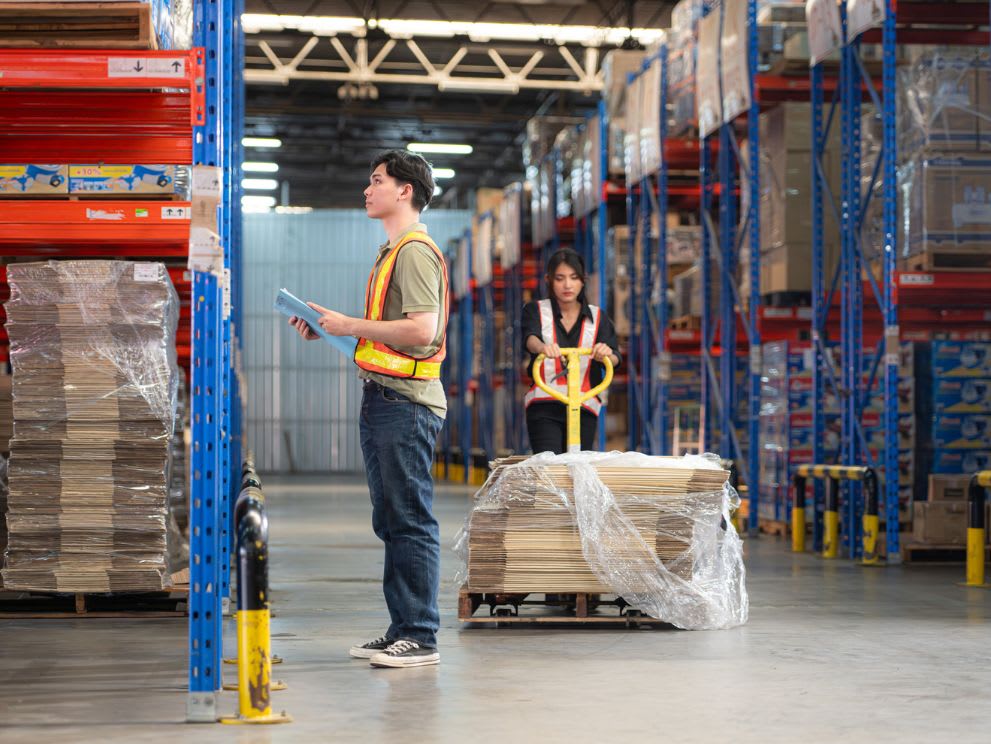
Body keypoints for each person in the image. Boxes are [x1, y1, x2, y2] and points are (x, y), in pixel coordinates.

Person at [288, 150, 448, 669]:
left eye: (376, 180)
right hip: (383, 398)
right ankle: (403, 625)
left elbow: (423, 331)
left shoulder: (415, 252)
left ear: (405, 190)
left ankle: (421, 635)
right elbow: (387, 338)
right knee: (391, 519)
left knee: (409, 519)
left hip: (407, 404)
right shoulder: (391, 252)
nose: (366, 189)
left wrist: (349, 325)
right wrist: (331, 329)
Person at [523, 249, 621, 454]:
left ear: (583, 281)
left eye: (573, 278)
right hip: (544, 405)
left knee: (576, 469)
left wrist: (606, 353)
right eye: (560, 278)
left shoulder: (598, 317)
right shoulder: (536, 311)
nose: (567, 285)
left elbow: (615, 358)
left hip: (584, 407)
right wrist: (542, 347)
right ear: (549, 280)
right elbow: (530, 339)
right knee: (549, 467)